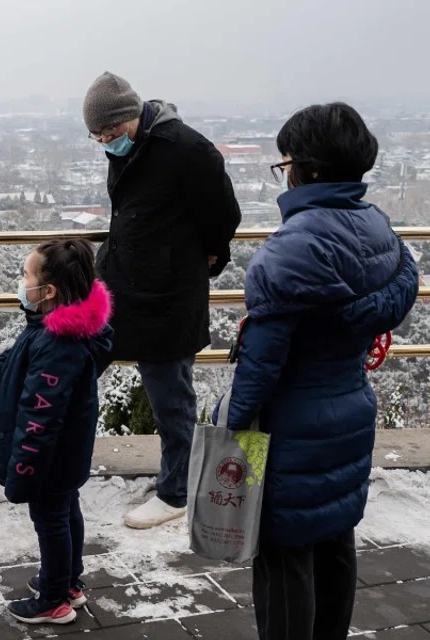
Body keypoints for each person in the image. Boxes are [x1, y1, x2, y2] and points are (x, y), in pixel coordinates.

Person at [214, 102, 418, 640]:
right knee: (334, 539)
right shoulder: (376, 225)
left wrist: (228, 423)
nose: (285, 175)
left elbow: (260, 366)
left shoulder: (289, 250)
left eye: (285, 164)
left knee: (283, 557)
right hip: (348, 407)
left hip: (292, 426)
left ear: (308, 169)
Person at [82, 72, 242, 529]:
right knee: (74, 364)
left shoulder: (187, 149)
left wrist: (197, 259)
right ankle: (172, 475)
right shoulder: (133, 145)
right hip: (126, 288)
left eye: (109, 133)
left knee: (171, 397)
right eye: (97, 137)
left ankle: (175, 494)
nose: (105, 143)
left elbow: (224, 216)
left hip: (170, 295)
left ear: (129, 116)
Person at [0, 240, 113, 625]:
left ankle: (53, 600)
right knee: (65, 512)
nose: (20, 282)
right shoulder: (53, 330)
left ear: (48, 291)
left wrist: (23, 471)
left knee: (51, 520)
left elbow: (39, 419)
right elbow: (8, 366)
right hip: (66, 455)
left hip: (48, 458)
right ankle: (68, 582)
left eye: (25, 276)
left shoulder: (58, 344)